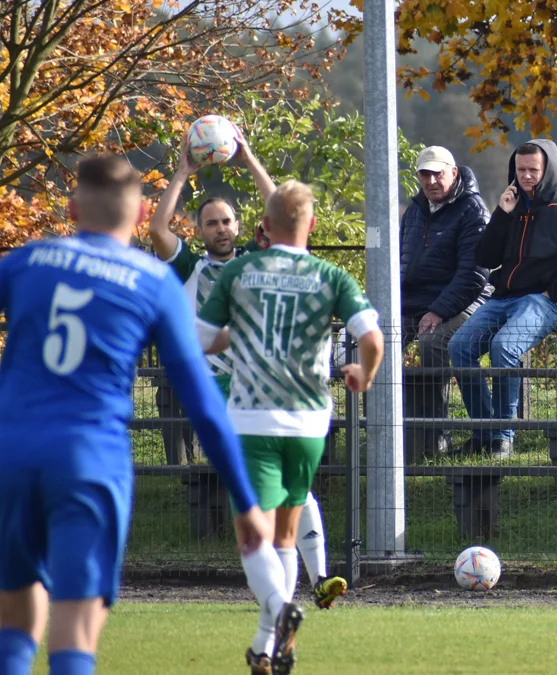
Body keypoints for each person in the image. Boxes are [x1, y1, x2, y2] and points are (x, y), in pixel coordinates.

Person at [0, 154, 270, 675]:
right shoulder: (150, 282)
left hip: (10, 453)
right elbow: (203, 405)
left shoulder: (25, 261)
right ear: (143, 210)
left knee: (14, 609)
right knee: (75, 625)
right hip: (88, 459)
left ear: (74, 208)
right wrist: (244, 499)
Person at [149, 133, 347, 612]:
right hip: (216, 393)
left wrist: (249, 158)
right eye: (211, 222)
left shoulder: (256, 264)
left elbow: (284, 210)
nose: (220, 228)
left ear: (243, 226)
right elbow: (157, 231)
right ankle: (279, 598)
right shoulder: (191, 267)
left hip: (260, 391)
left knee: (291, 490)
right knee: (268, 495)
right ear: (199, 231)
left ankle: (317, 580)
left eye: (227, 221)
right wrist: (181, 172)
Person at [196, 180, 384, 674]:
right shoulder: (331, 276)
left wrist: (234, 337)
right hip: (308, 422)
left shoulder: (239, 270)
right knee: (284, 536)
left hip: (252, 419)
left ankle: (280, 613)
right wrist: (363, 374)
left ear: (263, 227)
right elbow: (373, 338)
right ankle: (268, 648)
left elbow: (199, 338)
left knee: (252, 536)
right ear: (312, 226)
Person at [448, 140, 557, 457]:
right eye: (521, 170)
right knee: (459, 347)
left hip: (547, 302)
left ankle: (502, 437)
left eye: (534, 170)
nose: (527, 176)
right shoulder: (510, 209)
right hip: (502, 298)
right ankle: (483, 432)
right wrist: (501, 214)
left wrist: (551, 293)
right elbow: (485, 257)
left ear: (548, 170)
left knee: (505, 346)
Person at [401, 146, 490, 457]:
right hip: (416, 303)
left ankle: (437, 435)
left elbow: (474, 275)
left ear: (454, 172)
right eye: (425, 174)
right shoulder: (414, 210)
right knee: (373, 340)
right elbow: (401, 265)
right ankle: (383, 432)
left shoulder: (473, 210)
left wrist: (439, 310)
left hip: (465, 300)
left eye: (438, 173)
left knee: (432, 342)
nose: (432, 180)